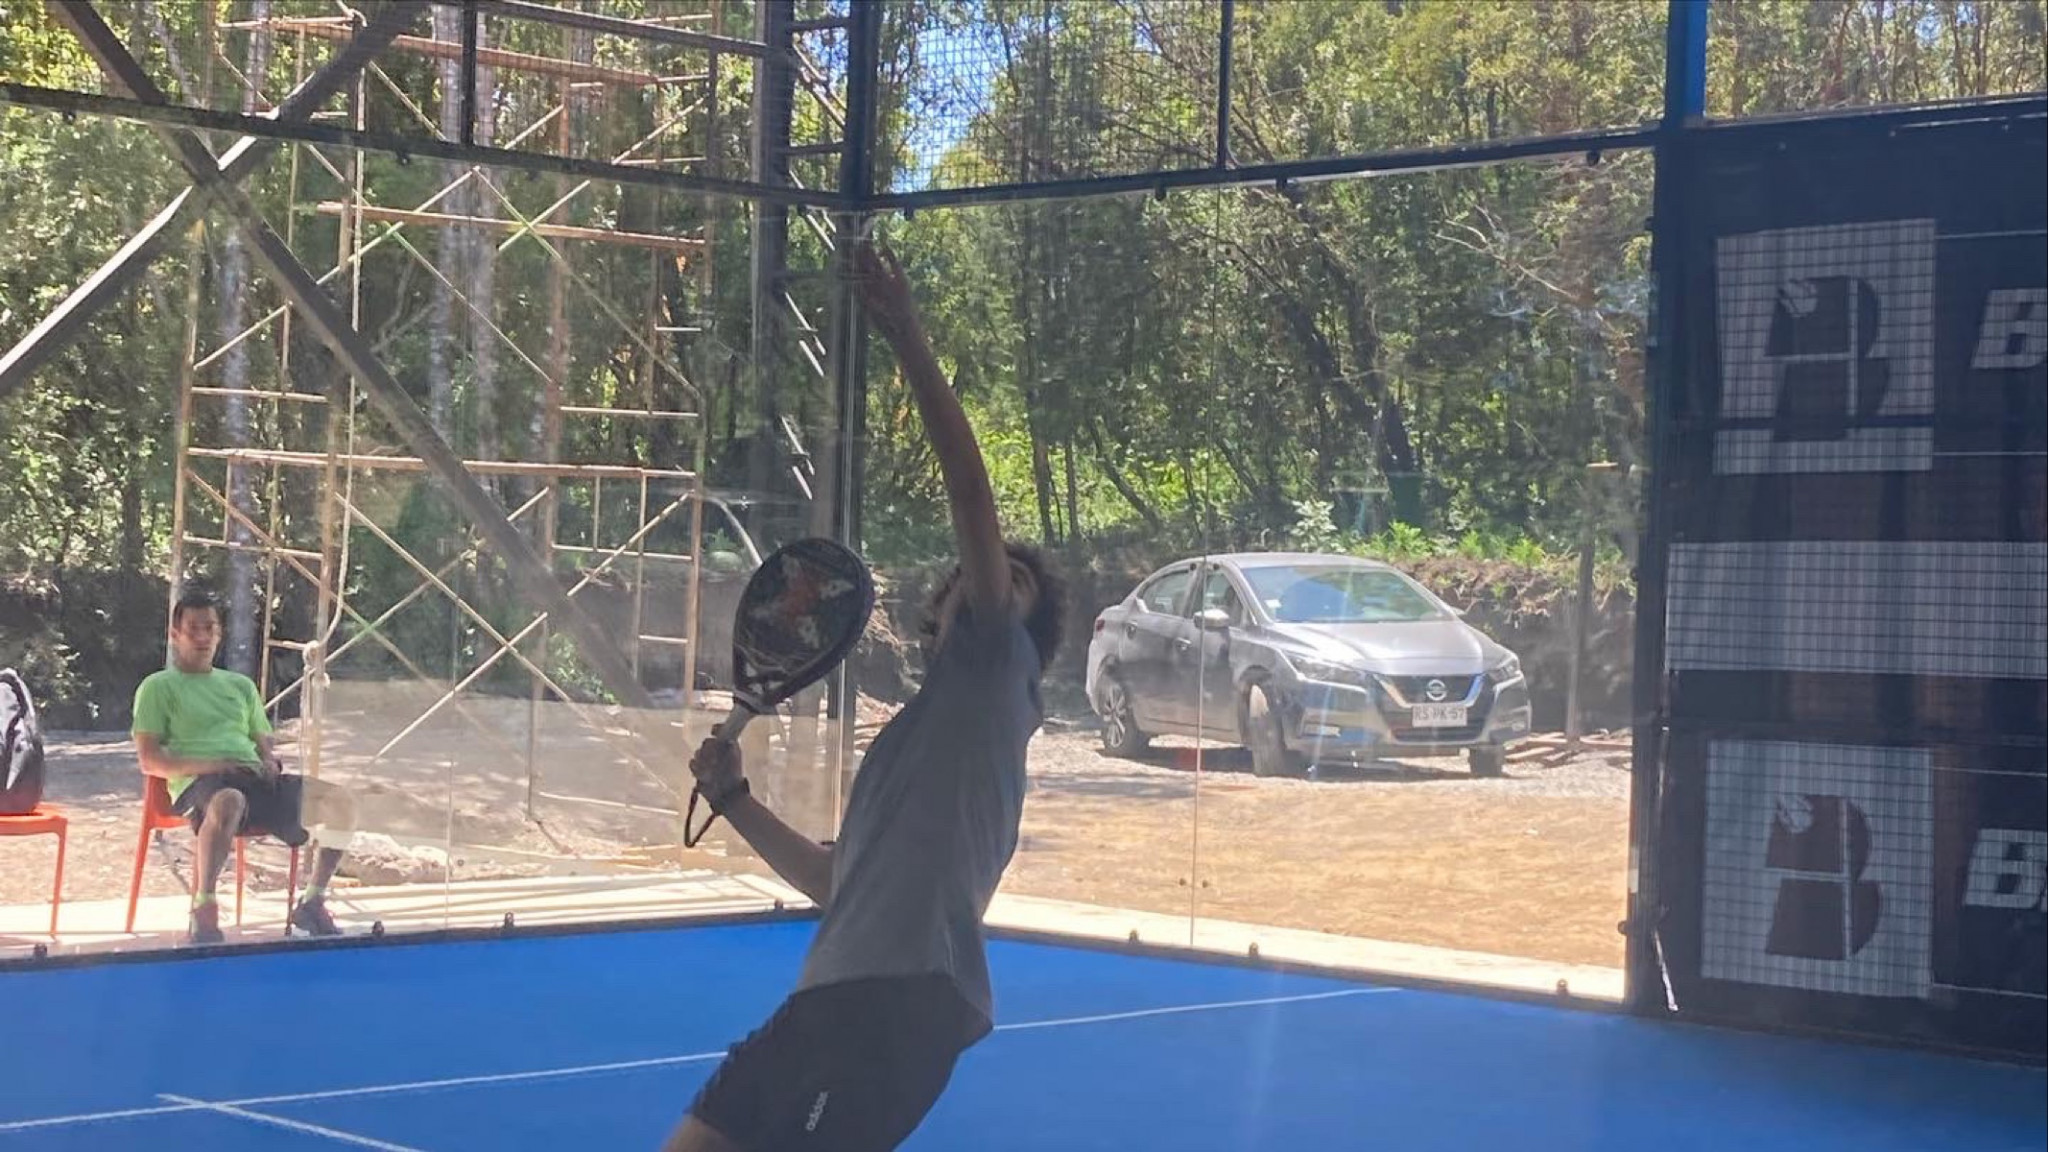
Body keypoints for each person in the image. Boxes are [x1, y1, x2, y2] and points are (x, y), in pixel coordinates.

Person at [661, 240, 1066, 1152]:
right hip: (827, 997)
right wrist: (734, 800)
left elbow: (971, 492)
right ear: (940, 606)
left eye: (1014, 583)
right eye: (988, 572)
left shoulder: (998, 675)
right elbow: (833, 883)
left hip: (902, 1006)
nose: (993, 577)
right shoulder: (921, 739)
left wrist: (906, 332)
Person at [132, 587, 360, 945]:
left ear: (219, 634)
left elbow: (262, 741)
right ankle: (204, 908)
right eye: (193, 629)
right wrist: (215, 764)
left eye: (210, 628)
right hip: (201, 784)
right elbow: (150, 760)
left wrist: (268, 761)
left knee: (340, 801)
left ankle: (313, 901)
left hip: (252, 777)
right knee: (229, 800)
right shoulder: (157, 687)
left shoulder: (240, 686)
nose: (203, 637)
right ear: (175, 635)